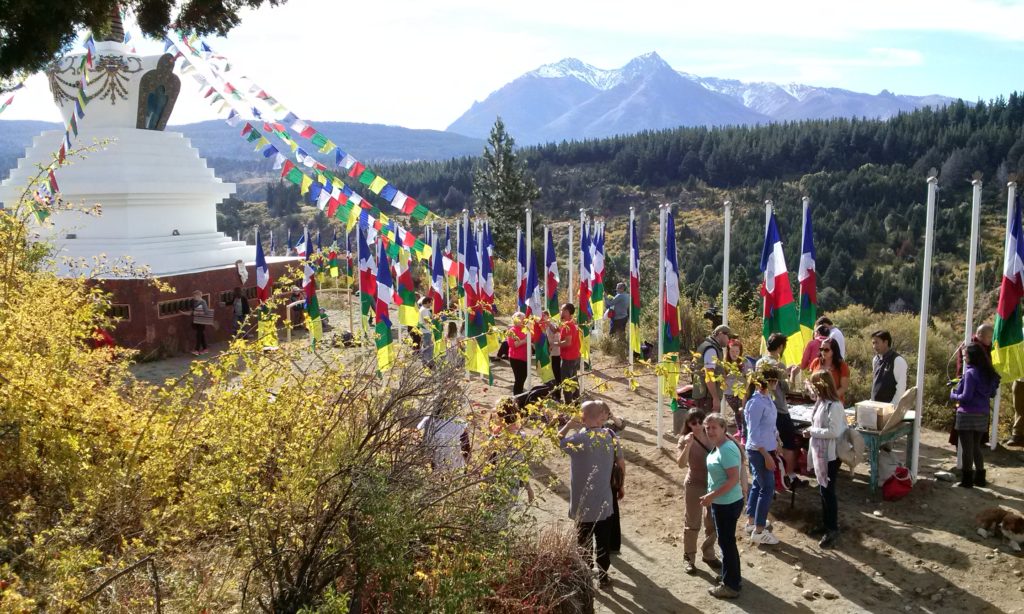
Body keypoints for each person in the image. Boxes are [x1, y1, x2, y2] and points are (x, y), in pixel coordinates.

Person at [558, 400, 625, 588]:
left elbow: (558, 439)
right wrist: (620, 486)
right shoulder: (611, 436)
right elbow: (620, 464)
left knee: (583, 542)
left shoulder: (578, 440)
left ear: (583, 417)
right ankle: (603, 576)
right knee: (603, 542)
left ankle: (585, 575)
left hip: (582, 503)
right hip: (604, 501)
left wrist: (568, 425)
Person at [699, 412, 744, 599]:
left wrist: (711, 495)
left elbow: (734, 479)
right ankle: (731, 577)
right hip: (724, 501)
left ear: (724, 428)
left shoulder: (726, 449)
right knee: (727, 542)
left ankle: (731, 586)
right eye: (707, 427)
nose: (710, 431)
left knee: (726, 544)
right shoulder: (719, 446)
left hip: (726, 503)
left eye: (714, 427)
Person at [804, 370, 847, 549]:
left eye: (815, 384)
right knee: (823, 490)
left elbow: (834, 431)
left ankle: (832, 528)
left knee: (828, 491)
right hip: (822, 453)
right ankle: (826, 524)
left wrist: (812, 431)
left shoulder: (834, 406)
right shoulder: (822, 402)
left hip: (830, 455)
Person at [675, 408, 721, 575]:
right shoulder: (684, 439)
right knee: (692, 523)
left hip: (713, 484)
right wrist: (687, 445)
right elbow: (680, 464)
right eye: (693, 423)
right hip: (694, 483)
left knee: (713, 522)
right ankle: (689, 558)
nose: (698, 425)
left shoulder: (713, 436)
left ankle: (708, 554)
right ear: (688, 424)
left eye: (701, 421)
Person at [950, 343, 999, 488]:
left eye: (966, 356)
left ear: (973, 356)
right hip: (982, 414)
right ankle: (980, 478)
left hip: (967, 415)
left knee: (967, 449)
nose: (964, 358)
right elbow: (992, 393)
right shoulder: (988, 373)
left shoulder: (971, 373)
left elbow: (966, 397)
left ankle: (967, 480)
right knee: (976, 447)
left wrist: (953, 394)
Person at [756, 333, 803, 489]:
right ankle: (789, 474)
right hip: (779, 409)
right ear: (781, 347)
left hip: (764, 408)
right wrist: (791, 374)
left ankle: (774, 474)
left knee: (770, 442)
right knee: (789, 443)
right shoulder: (778, 364)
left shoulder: (760, 362)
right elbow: (787, 388)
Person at [744, 366, 781, 545]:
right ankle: (759, 530)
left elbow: (769, 425)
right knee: (767, 487)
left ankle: (752, 521)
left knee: (758, 485)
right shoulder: (756, 403)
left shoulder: (767, 399)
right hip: (759, 451)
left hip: (767, 448)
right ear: (770, 382)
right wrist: (766, 455)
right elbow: (754, 434)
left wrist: (777, 440)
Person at [695, 325, 734, 411]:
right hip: (707, 398)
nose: (729, 340)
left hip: (704, 396)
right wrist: (715, 398)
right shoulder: (711, 350)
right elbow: (709, 376)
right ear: (720, 334)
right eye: (729, 336)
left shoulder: (708, 346)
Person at [723, 338, 752, 437]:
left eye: (737, 351)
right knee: (736, 412)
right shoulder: (724, 363)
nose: (734, 353)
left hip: (741, 392)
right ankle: (739, 430)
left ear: (740, 351)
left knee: (743, 412)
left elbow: (749, 377)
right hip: (729, 392)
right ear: (728, 351)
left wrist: (744, 391)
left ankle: (744, 434)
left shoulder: (745, 362)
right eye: (732, 351)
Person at [870, 330, 908, 404]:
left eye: (877, 343)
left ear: (886, 342)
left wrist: (892, 407)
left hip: (889, 409)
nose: (874, 346)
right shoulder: (875, 360)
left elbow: (901, 388)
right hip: (875, 407)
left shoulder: (897, 360)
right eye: (873, 343)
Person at [809, 337, 851, 404]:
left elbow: (844, 387)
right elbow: (809, 381)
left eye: (826, 350)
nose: (823, 352)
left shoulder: (842, 365)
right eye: (821, 349)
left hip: (835, 403)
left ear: (834, 350)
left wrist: (830, 398)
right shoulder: (816, 362)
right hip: (818, 402)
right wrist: (811, 391)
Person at [558, 303, 582, 404]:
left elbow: (568, 342)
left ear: (567, 312)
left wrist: (555, 344)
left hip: (569, 357)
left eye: (562, 310)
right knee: (574, 379)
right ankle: (577, 402)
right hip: (575, 356)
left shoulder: (568, 325)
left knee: (567, 381)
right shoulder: (571, 323)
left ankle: (568, 403)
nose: (561, 311)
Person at [542, 312, 563, 402]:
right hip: (546, 355)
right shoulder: (542, 327)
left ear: (548, 317)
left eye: (544, 316)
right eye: (541, 316)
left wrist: (548, 323)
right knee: (548, 376)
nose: (542, 318)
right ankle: (549, 394)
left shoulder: (553, 325)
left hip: (555, 354)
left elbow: (556, 332)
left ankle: (557, 395)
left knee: (556, 375)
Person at [508, 312, 529, 397]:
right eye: (521, 318)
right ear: (515, 320)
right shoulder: (512, 331)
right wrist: (525, 341)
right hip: (515, 358)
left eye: (524, 318)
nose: (523, 320)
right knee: (519, 378)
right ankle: (516, 396)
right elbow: (513, 345)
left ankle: (520, 394)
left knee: (524, 376)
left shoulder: (525, 329)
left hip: (525, 357)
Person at [190, 290, 210, 356]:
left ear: (198, 295)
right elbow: (193, 311)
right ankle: (205, 348)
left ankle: (197, 350)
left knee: (199, 335)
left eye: (194, 296)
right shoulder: (195, 302)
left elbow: (206, 312)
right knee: (201, 335)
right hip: (197, 321)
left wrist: (198, 312)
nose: (193, 297)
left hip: (202, 321)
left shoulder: (203, 302)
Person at [417, 296, 434, 366]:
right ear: (427, 302)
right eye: (431, 303)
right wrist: (434, 320)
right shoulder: (424, 310)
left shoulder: (423, 309)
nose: (431, 304)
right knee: (428, 347)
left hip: (425, 330)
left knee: (426, 346)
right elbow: (427, 320)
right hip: (426, 331)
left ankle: (426, 361)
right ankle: (427, 362)